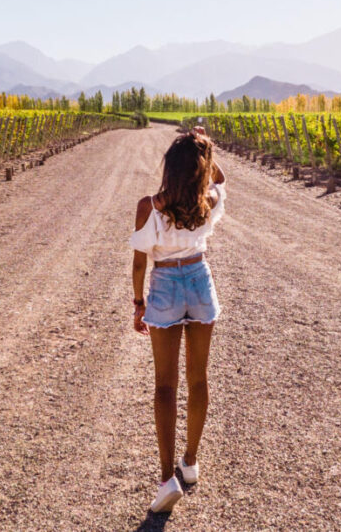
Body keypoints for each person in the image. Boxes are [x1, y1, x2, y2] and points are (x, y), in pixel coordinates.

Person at [129, 126, 227, 513]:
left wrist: (139, 302)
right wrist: (203, 149)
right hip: (200, 279)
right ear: (199, 170)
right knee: (198, 378)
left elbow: (139, 261)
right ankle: (191, 461)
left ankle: (167, 477)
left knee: (164, 387)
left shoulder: (149, 206)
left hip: (166, 283)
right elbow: (220, 179)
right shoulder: (210, 199)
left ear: (169, 167)